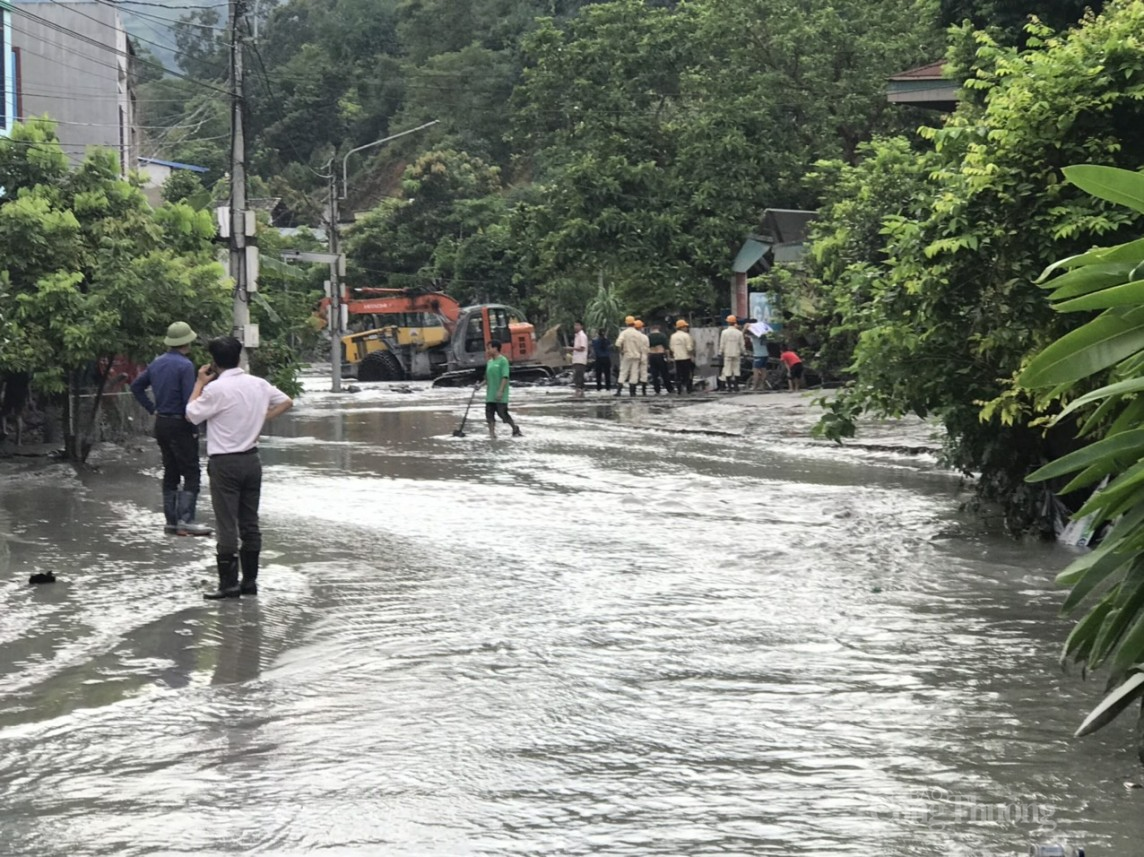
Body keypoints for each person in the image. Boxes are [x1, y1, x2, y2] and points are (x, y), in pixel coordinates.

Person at [185, 336, 294, 600]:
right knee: (250, 522)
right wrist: (261, 419)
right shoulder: (259, 384)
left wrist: (200, 382)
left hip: (224, 463)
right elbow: (287, 401)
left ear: (214, 362)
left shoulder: (215, 389)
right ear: (239, 357)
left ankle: (229, 585)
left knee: (226, 524)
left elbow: (191, 413)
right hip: (251, 460)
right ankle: (250, 583)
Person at [130, 321, 212, 536]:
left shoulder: (157, 363)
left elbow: (136, 386)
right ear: (188, 342)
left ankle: (172, 523)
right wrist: (197, 426)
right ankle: (187, 520)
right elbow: (189, 401)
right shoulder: (185, 365)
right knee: (192, 471)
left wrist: (152, 408)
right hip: (181, 423)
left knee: (171, 471)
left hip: (162, 424)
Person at [484, 339, 522, 438]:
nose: (487, 351)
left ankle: (515, 428)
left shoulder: (503, 361)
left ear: (495, 348)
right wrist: (479, 386)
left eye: (489, 348)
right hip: (490, 394)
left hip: (500, 394)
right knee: (489, 414)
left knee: (502, 414)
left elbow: (505, 376)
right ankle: (492, 434)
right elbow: (487, 378)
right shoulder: (490, 362)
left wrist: (500, 391)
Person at [614, 316, 643, 398]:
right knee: (634, 373)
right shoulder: (639, 334)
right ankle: (632, 392)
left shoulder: (624, 333)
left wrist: (621, 351)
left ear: (626, 323)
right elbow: (641, 346)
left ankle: (619, 391)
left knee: (623, 372)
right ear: (634, 323)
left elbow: (618, 343)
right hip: (636, 355)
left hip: (627, 355)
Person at [719, 315, 745, 393]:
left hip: (727, 353)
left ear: (728, 322)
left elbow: (722, 344)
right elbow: (742, 344)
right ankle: (736, 386)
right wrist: (744, 352)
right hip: (736, 353)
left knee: (727, 370)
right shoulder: (739, 333)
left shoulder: (724, 332)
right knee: (736, 369)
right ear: (735, 322)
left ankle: (729, 387)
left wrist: (720, 352)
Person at [646, 323, 674, 394]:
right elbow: (666, 348)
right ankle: (669, 389)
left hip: (651, 355)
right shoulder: (662, 336)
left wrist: (647, 360)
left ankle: (657, 389)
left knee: (654, 374)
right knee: (664, 373)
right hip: (660, 355)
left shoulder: (648, 336)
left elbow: (646, 349)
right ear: (658, 328)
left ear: (651, 328)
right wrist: (668, 357)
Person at [669, 319, 696, 394]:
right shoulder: (686, 336)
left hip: (677, 358)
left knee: (678, 374)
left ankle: (679, 390)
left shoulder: (673, 336)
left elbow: (672, 348)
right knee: (687, 374)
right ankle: (688, 389)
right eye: (685, 327)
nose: (686, 328)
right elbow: (689, 348)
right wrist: (692, 356)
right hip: (686, 358)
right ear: (682, 327)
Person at [745, 321, 770, 391]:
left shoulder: (754, 336)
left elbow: (743, 334)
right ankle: (762, 385)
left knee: (755, 371)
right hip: (765, 354)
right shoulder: (764, 336)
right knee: (763, 370)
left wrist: (745, 327)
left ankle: (754, 386)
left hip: (758, 355)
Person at [570, 320, 589, 398]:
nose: (576, 327)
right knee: (577, 375)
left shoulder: (582, 336)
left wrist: (571, 348)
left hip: (580, 359)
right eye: (575, 325)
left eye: (577, 325)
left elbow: (582, 348)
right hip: (576, 358)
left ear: (581, 326)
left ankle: (579, 391)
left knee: (578, 375)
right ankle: (580, 391)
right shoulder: (577, 335)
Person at [633, 319, 650, 396]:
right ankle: (644, 391)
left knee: (634, 372)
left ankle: (633, 390)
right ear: (641, 327)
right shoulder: (644, 337)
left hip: (635, 356)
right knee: (644, 373)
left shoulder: (633, 337)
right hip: (643, 356)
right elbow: (647, 348)